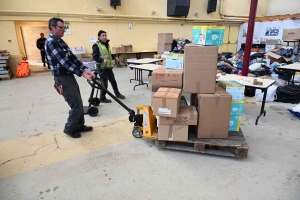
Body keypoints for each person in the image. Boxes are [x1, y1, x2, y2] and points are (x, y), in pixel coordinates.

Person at [44, 17, 95, 138]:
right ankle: (69, 128)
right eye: (61, 28)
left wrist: (85, 69)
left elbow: (72, 57)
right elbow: (64, 61)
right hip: (61, 77)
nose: (64, 30)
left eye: (64, 28)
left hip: (69, 75)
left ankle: (79, 126)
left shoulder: (60, 41)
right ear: (52, 28)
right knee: (75, 103)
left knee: (79, 100)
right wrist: (81, 73)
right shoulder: (51, 42)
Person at [92, 30, 125, 103]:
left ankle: (117, 94)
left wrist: (114, 57)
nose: (104, 37)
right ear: (99, 37)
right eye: (103, 35)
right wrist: (102, 60)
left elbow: (109, 54)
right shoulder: (96, 45)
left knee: (113, 81)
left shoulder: (107, 44)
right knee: (104, 84)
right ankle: (102, 98)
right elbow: (95, 57)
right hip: (102, 68)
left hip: (109, 67)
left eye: (105, 35)